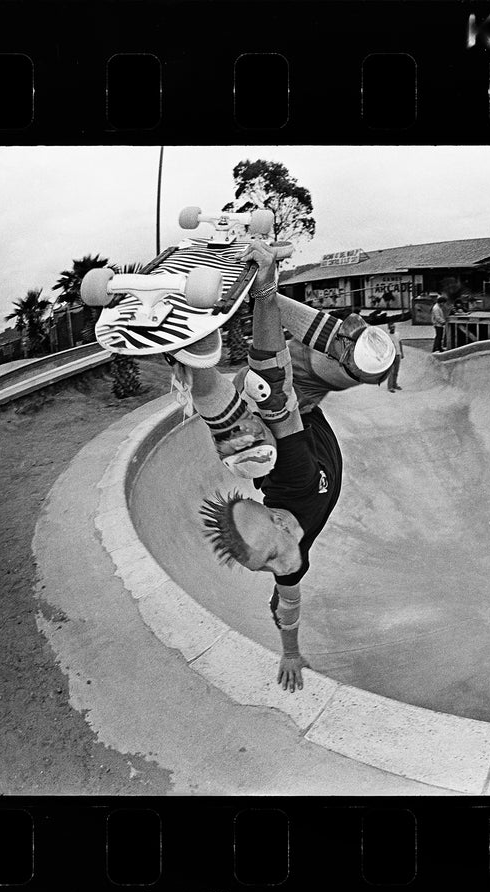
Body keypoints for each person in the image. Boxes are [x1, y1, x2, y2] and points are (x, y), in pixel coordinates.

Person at [165, 238, 396, 693]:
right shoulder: (290, 562)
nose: (279, 571)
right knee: (370, 357)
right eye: (267, 570)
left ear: (280, 523)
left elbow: (275, 380)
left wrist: (267, 287)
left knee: (365, 362)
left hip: (289, 402)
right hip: (282, 414)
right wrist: (289, 651)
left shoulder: (294, 481)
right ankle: (199, 353)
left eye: (270, 559)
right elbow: (286, 606)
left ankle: (198, 361)